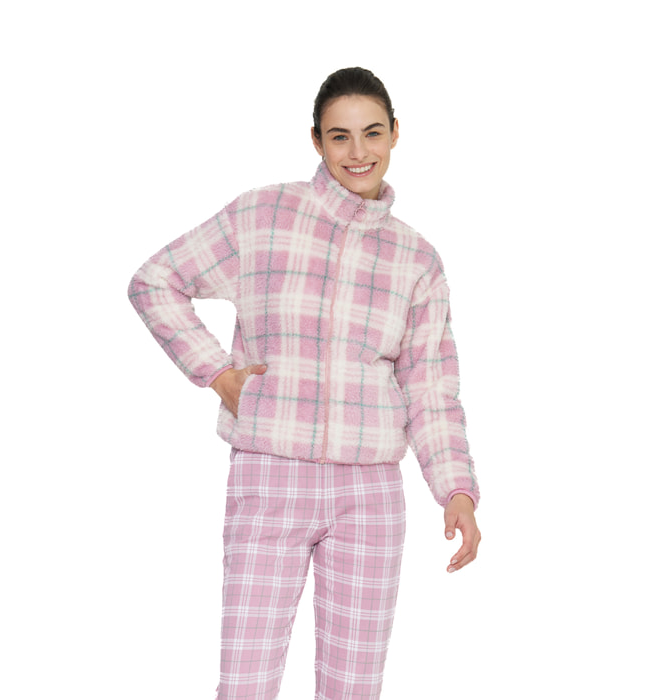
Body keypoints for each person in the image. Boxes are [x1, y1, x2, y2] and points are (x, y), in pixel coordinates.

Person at [128, 67, 480, 700]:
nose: (358, 151)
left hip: (370, 493)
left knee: (353, 688)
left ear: (395, 134)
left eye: (372, 133)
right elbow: (155, 281)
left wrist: (455, 488)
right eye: (339, 136)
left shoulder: (416, 259)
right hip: (270, 475)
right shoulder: (264, 214)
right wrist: (218, 374)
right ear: (316, 141)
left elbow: (430, 386)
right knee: (246, 682)